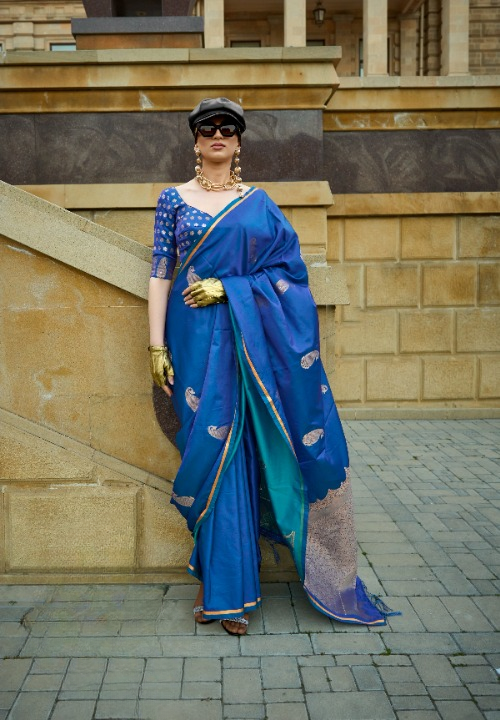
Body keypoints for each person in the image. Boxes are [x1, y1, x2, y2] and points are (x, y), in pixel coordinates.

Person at [148, 97, 397, 636]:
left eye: (228, 128)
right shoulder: (173, 200)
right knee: (208, 455)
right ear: (195, 140)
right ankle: (217, 579)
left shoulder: (259, 204)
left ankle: (225, 594)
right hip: (192, 345)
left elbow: (292, 275)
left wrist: (230, 288)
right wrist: (155, 347)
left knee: (239, 454)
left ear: (238, 142)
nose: (217, 134)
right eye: (207, 128)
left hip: (251, 348)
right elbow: (160, 275)